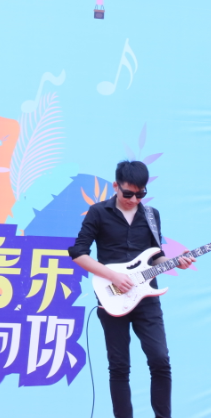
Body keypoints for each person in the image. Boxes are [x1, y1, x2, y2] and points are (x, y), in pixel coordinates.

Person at [68, 160, 195, 418]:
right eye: (128, 193)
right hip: (112, 296)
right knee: (119, 366)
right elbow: (78, 253)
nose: (134, 199)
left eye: (140, 194)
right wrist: (113, 276)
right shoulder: (98, 212)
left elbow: (155, 257)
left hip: (146, 298)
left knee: (160, 360)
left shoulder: (151, 215)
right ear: (116, 186)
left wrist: (175, 262)